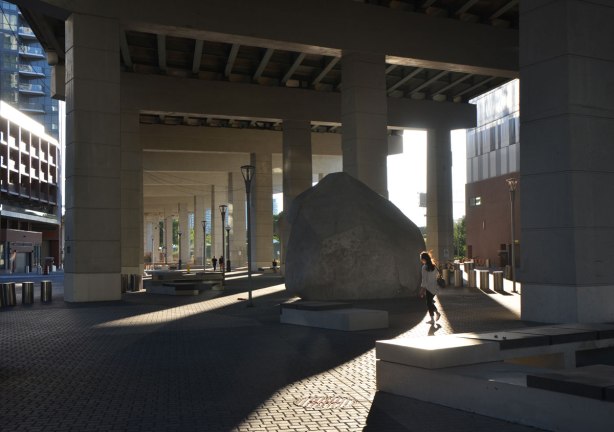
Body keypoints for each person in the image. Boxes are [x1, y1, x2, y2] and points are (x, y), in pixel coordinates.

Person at [419, 251, 441, 324]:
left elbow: (424, 280)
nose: (421, 260)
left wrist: (422, 290)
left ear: (423, 259)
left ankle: (433, 318)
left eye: (421, 258)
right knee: (429, 302)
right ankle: (436, 314)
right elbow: (438, 275)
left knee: (429, 303)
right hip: (435, 287)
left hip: (428, 288)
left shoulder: (424, 267)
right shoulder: (433, 266)